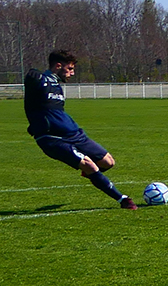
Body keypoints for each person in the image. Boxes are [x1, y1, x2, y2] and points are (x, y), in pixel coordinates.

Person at [25, 50, 138, 209]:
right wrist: (35, 76)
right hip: (52, 138)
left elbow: (50, 110)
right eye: (69, 69)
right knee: (90, 165)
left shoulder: (57, 85)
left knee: (108, 162)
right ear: (58, 66)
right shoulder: (39, 81)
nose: (72, 73)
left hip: (73, 132)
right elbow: (31, 81)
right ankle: (123, 200)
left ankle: (92, 175)